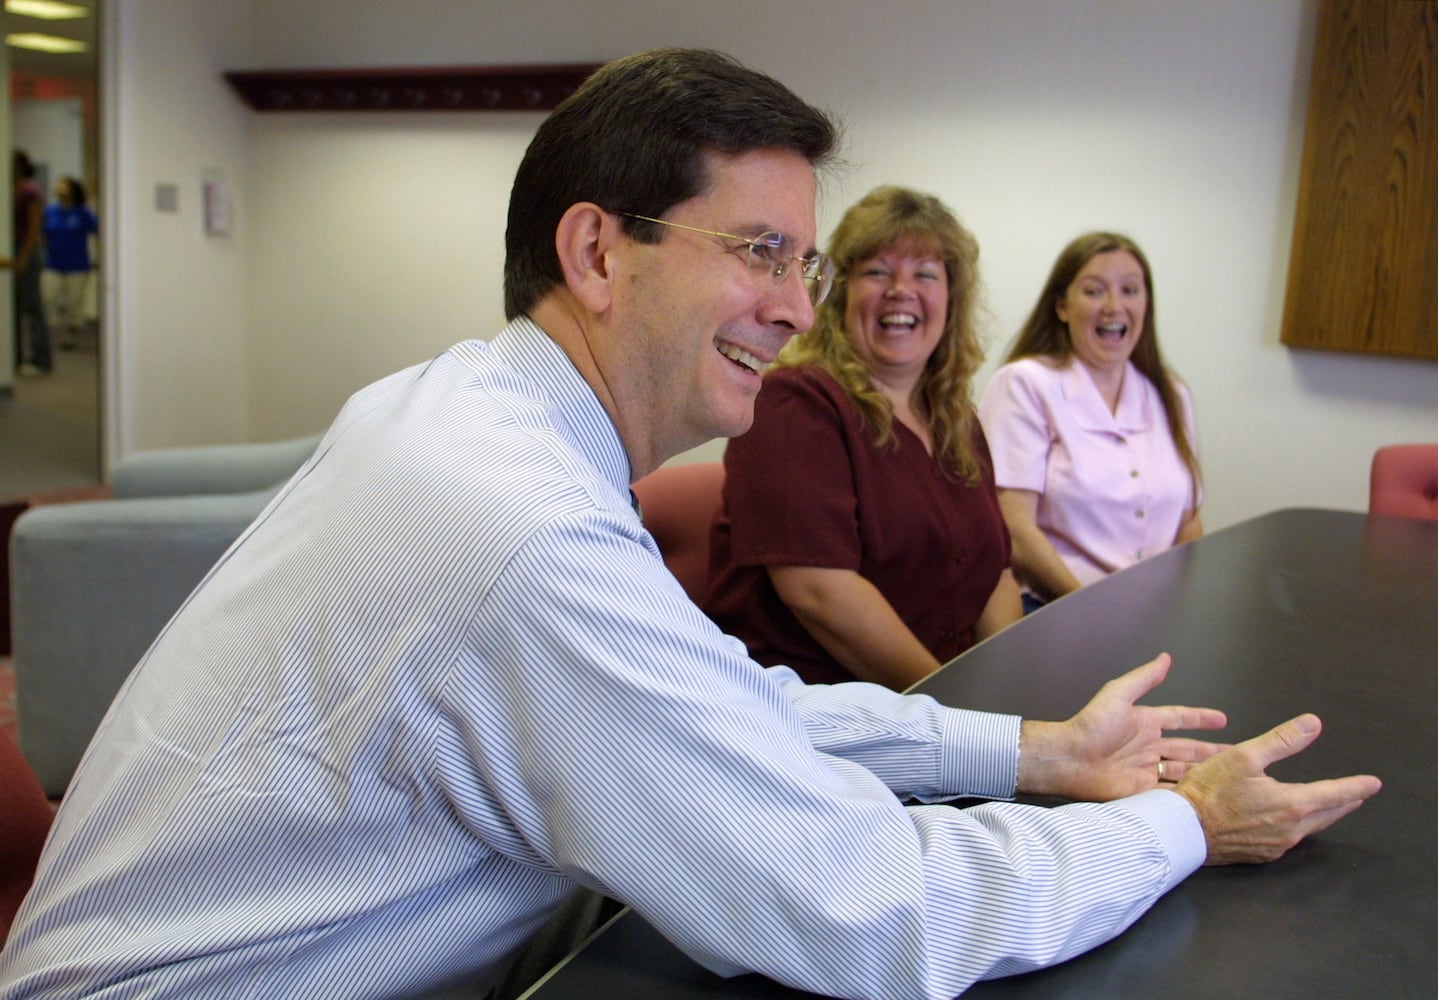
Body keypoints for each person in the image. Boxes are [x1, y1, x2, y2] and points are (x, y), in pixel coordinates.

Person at [0, 49, 1379, 1000]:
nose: (799, 304)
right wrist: (1184, 827)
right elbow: (873, 914)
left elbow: (716, 700)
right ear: (599, 253)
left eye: (808, 261)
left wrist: (1023, 749)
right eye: (761, 252)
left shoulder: (459, 408)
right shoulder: (523, 533)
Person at [704, 186, 1020, 690]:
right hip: (820, 716)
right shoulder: (794, 405)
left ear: (951, 299)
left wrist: (1010, 687)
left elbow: (995, 573)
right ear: (841, 294)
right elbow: (820, 594)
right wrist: (960, 710)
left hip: (945, 712)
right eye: (877, 271)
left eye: (925, 273)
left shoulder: (956, 417)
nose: (901, 290)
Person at [979, 232, 1203, 610]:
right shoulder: (1025, 385)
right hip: (1054, 607)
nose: (1114, 306)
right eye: (1095, 291)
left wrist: (1180, 607)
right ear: (1062, 306)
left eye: (1130, 290)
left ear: (1146, 304)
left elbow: (1189, 523)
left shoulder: (1171, 395)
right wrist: (1088, 610)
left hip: (1157, 612)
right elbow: (1014, 530)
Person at [4, 150, 51, 377]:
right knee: (12, 306)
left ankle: (42, 358)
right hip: (12, 249)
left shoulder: (30, 190)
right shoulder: (9, 188)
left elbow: (34, 227)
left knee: (32, 306)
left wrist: (22, 258)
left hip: (28, 251)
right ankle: (15, 357)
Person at [41, 175, 99, 350]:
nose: (59, 188)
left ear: (73, 190)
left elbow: (98, 231)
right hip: (53, 263)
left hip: (77, 265)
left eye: (63, 186)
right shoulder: (50, 211)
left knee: (74, 303)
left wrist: (98, 258)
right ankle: (50, 335)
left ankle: (70, 337)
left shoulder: (83, 213)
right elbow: (42, 232)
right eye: (58, 185)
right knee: (48, 298)